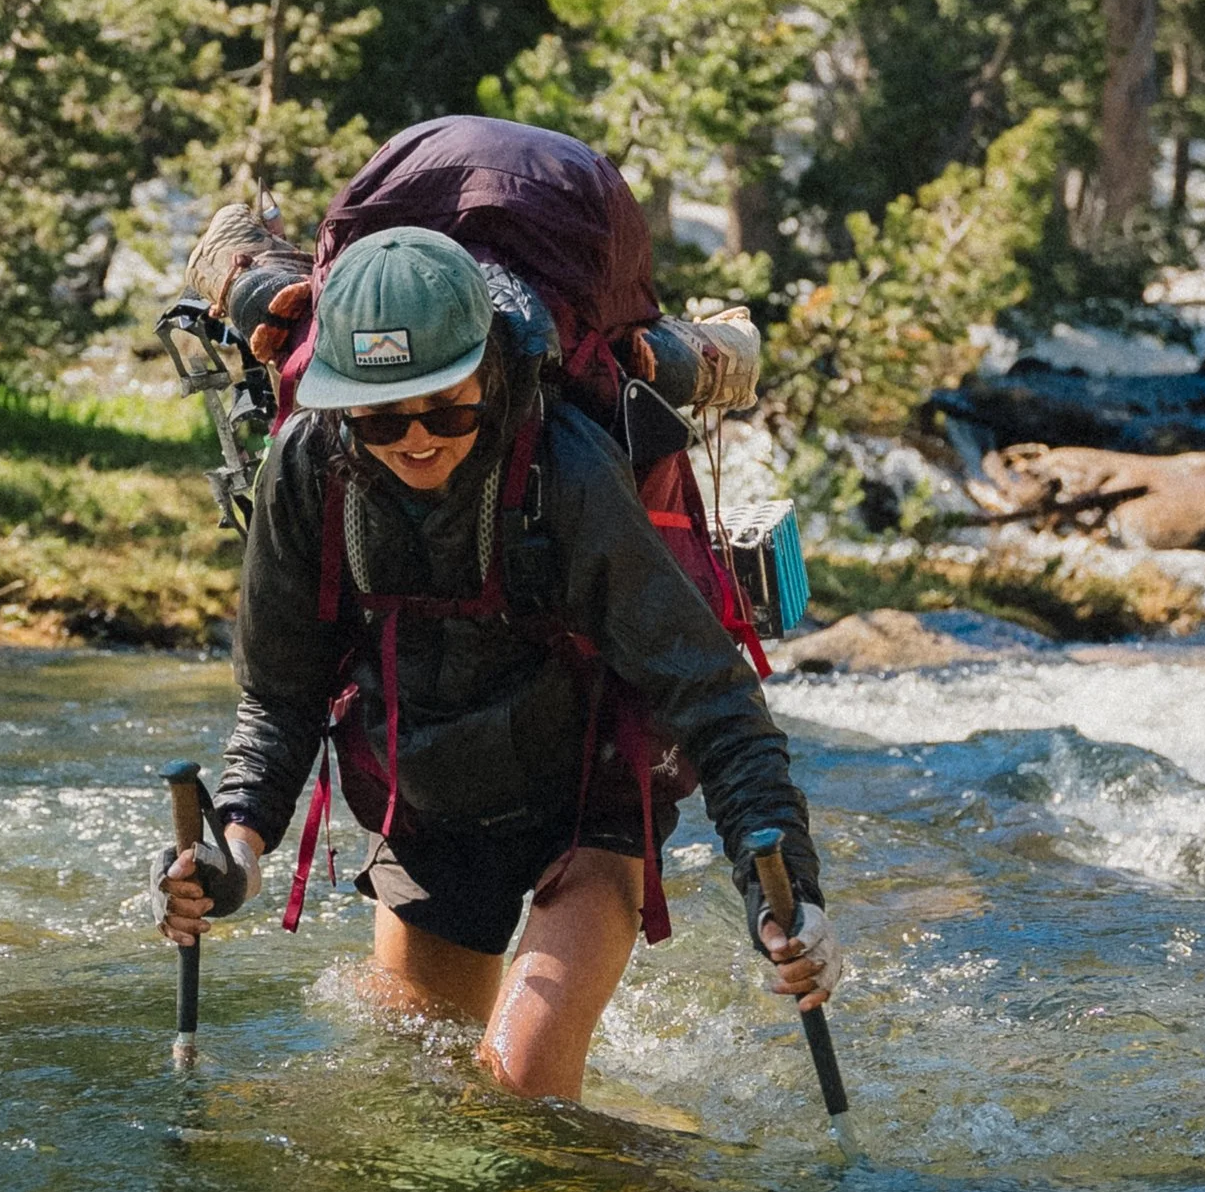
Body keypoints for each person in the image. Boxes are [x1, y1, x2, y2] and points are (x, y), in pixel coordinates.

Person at [157, 224, 838, 1102]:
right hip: (427, 799)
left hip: (585, 800)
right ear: (336, 405)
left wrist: (789, 893)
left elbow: (717, 704)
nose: (415, 441)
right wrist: (235, 848)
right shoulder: (308, 464)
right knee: (417, 1088)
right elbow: (280, 699)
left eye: (446, 407)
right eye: (380, 415)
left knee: (520, 1089)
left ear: (495, 372)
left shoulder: (569, 472)